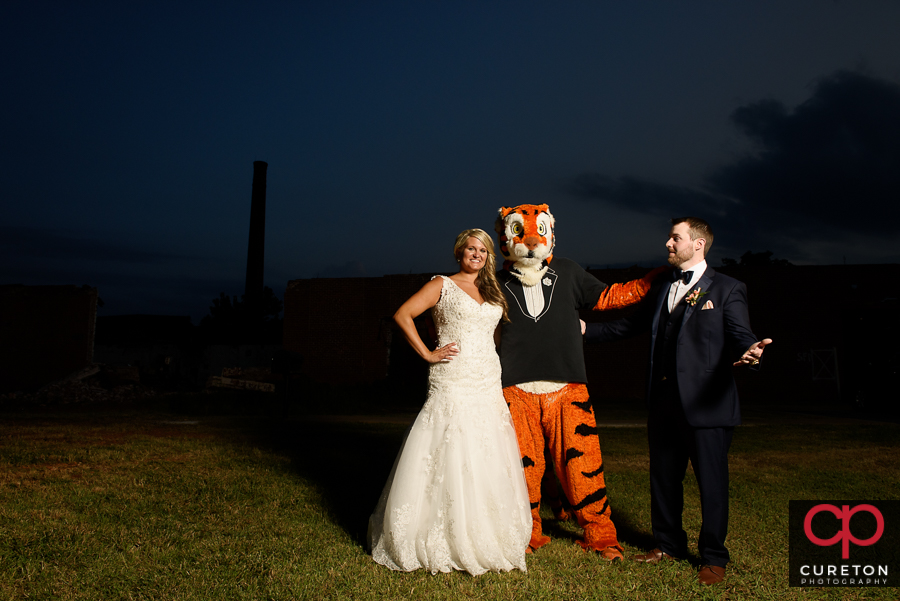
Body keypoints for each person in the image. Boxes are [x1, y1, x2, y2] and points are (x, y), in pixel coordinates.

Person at [585, 216, 772, 585]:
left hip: (708, 406)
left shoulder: (728, 288)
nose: (668, 245)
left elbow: (740, 334)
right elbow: (628, 326)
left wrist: (752, 352)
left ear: (698, 244)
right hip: (663, 402)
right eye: (669, 239)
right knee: (664, 480)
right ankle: (666, 544)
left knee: (712, 485)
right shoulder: (662, 287)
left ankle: (714, 557)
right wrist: (583, 330)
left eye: (675, 239)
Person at [494, 203, 664, 560]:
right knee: (520, 467)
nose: (529, 239)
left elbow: (609, 297)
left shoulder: (569, 271)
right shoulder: (494, 282)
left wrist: (651, 281)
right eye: (518, 230)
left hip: (568, 385)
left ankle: (600, 534)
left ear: (551, 232)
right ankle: (525, 531)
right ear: (503, 236)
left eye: (538, 229)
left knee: (582, 465)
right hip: (514, 387)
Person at [368, 228, 531, 576]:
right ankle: (439, 533)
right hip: (453, 375)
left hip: (487, 378)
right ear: (459, 253)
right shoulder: (442, 284)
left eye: (483, 250)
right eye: (470, 249)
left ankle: (486, 531)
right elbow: (402, 315)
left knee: (486, 448)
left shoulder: (493, 291)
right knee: (450, 443)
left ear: (488, 256)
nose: (476, 254)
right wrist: (428, 353)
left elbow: (498, 335)